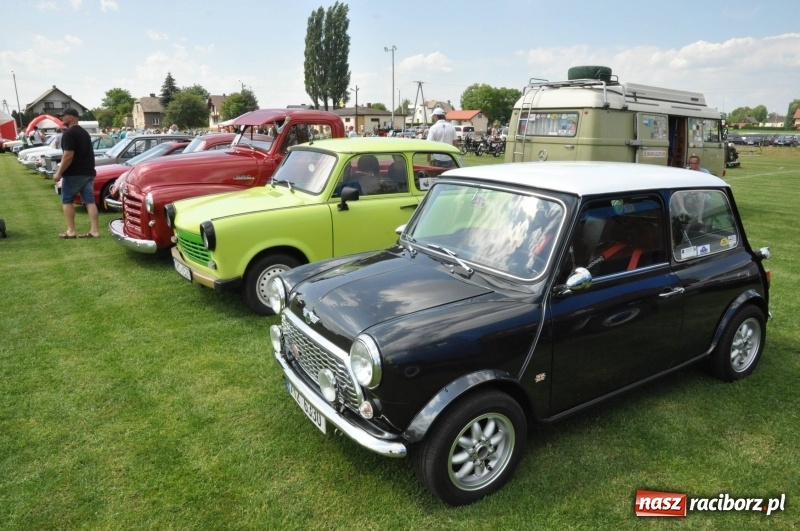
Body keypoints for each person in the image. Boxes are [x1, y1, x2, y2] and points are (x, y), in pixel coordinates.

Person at [53, 107, 99, 239]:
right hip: (88, 172)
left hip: (74, 174)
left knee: (67, 200)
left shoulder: (69, 134)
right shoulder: (84, 133)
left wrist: (59, 173)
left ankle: (71, 231)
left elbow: (68, 156)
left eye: (63, 115)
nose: (61, 118)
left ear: (72, 117)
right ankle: (94, 231)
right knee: (90, 201)